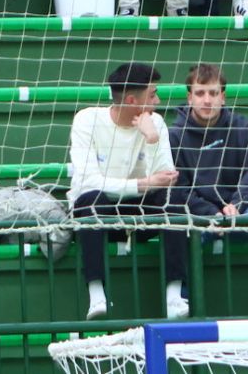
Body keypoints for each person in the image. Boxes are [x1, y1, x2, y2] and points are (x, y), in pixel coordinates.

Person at [169, 63, 248, 317]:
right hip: (201, 218)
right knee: (179, 223)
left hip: (241, 214)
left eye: (214, 93)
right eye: (200, 93)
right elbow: (178, 187)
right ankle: (182, 301)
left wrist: (236, 206)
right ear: (189, 97)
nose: (207, 100)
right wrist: (211, 212)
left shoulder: (242, 127)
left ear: (223, 95)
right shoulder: (174, 136)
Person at [67, 62, 187, 320]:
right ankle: (96, 295)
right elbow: (89, 181)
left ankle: (174, 295)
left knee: (174, 198)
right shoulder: (86, 120)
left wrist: (152, 139)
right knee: (91, 200)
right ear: (132, 100)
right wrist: (144, 184)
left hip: (141, 213)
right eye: (153, 94)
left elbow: (166, 178)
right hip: (102, 214)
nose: (158, 100)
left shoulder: (155, 123)